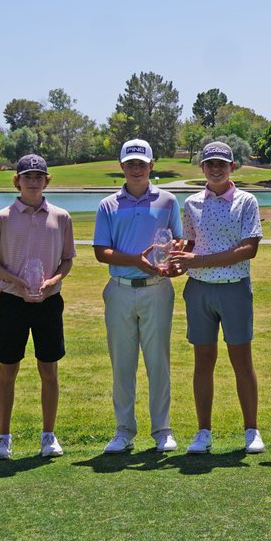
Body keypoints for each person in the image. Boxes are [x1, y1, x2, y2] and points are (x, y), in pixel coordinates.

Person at [168, 142, 265, 455]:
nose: (216, 168)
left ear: (232, 167)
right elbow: (191, 242)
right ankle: (203, 432)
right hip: (199, 290)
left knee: (241, 361)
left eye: (222, 163)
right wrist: (177, 259)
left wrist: (199, 260)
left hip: (234, 287)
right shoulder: (192, 203)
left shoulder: (246, 201)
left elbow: (249, 248)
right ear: (202, 168)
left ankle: (251, 430)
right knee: (203, 362)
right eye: (210, 164)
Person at [0, 154, 76, 460]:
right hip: (12, 301)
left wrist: (53, 282)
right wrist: (17, 281)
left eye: (38, 176)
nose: (33, 181)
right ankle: (3, 437)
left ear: (47, 180)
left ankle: (48, 435)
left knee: (48, 368)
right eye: (27, 176)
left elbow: (67, 260)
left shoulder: (61, 217)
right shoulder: (2, 218)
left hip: (49, 302)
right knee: (8, 369)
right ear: (17, 181)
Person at [93, 139, 184, 454]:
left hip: (156, 290)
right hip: (119, 289)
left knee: (158, 361)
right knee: (122, 363)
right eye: (130, 163)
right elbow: (100, 252)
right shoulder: (108, 205)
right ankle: (124, 429)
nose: (136, 169)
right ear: (121, 166)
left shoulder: (168, 201)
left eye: (141, 163)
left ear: (151, 165)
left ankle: (162, 429)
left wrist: (174, 263)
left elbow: (178, 240)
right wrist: (135, 260)